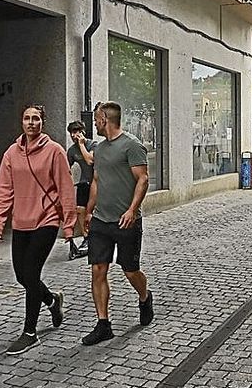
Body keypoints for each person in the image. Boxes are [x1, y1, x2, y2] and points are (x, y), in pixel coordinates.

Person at [0, 104, 77, 355]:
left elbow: (65, 188)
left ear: (43, 122)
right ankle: (52, 300)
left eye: (36, 118)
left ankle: (30, 332)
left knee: (31, 273)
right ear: (22, 122)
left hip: (46, 220)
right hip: (21, 221)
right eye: (27, 118)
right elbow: (4, 189)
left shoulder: (54, 151)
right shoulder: (11, 153)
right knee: (22, 276)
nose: (31, 122)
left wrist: (69, 225)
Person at [82, 101, 154, 346]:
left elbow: (143, 180)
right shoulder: (99, 149)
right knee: (98, 270)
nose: (94, 122)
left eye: (95, 118)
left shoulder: (132, 146)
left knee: (130, 270)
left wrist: (132, 211)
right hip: (102, 220)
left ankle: (145, 297)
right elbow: (96, 181)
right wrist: (89, 212)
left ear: (104, 118)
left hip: (126, 221)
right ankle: (103, 325)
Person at [66, 120, 98, 257]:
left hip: (98, 183)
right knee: (80, 209)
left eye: (77, 132)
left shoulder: (93, 145)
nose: (74, 135)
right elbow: (66, 167)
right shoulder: (72, 150)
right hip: (84, 182)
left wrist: (81, 144)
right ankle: (86, 237)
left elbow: (90, 160)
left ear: (83, 132)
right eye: (72, 133)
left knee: (96, 212)